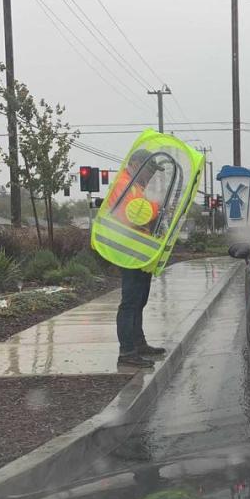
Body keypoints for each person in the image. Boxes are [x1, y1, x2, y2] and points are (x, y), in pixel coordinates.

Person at [109, 149, 167, 368]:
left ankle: (138, 344)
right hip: (128, 251)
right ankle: (127, 352)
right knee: (130, 302)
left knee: (139, 299)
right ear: (135, 164)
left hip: (138, 252)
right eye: (149, 168)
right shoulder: (125, 184)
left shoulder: (135, 185)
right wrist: (157, 208)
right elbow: (135, 214)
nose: (151, 174)